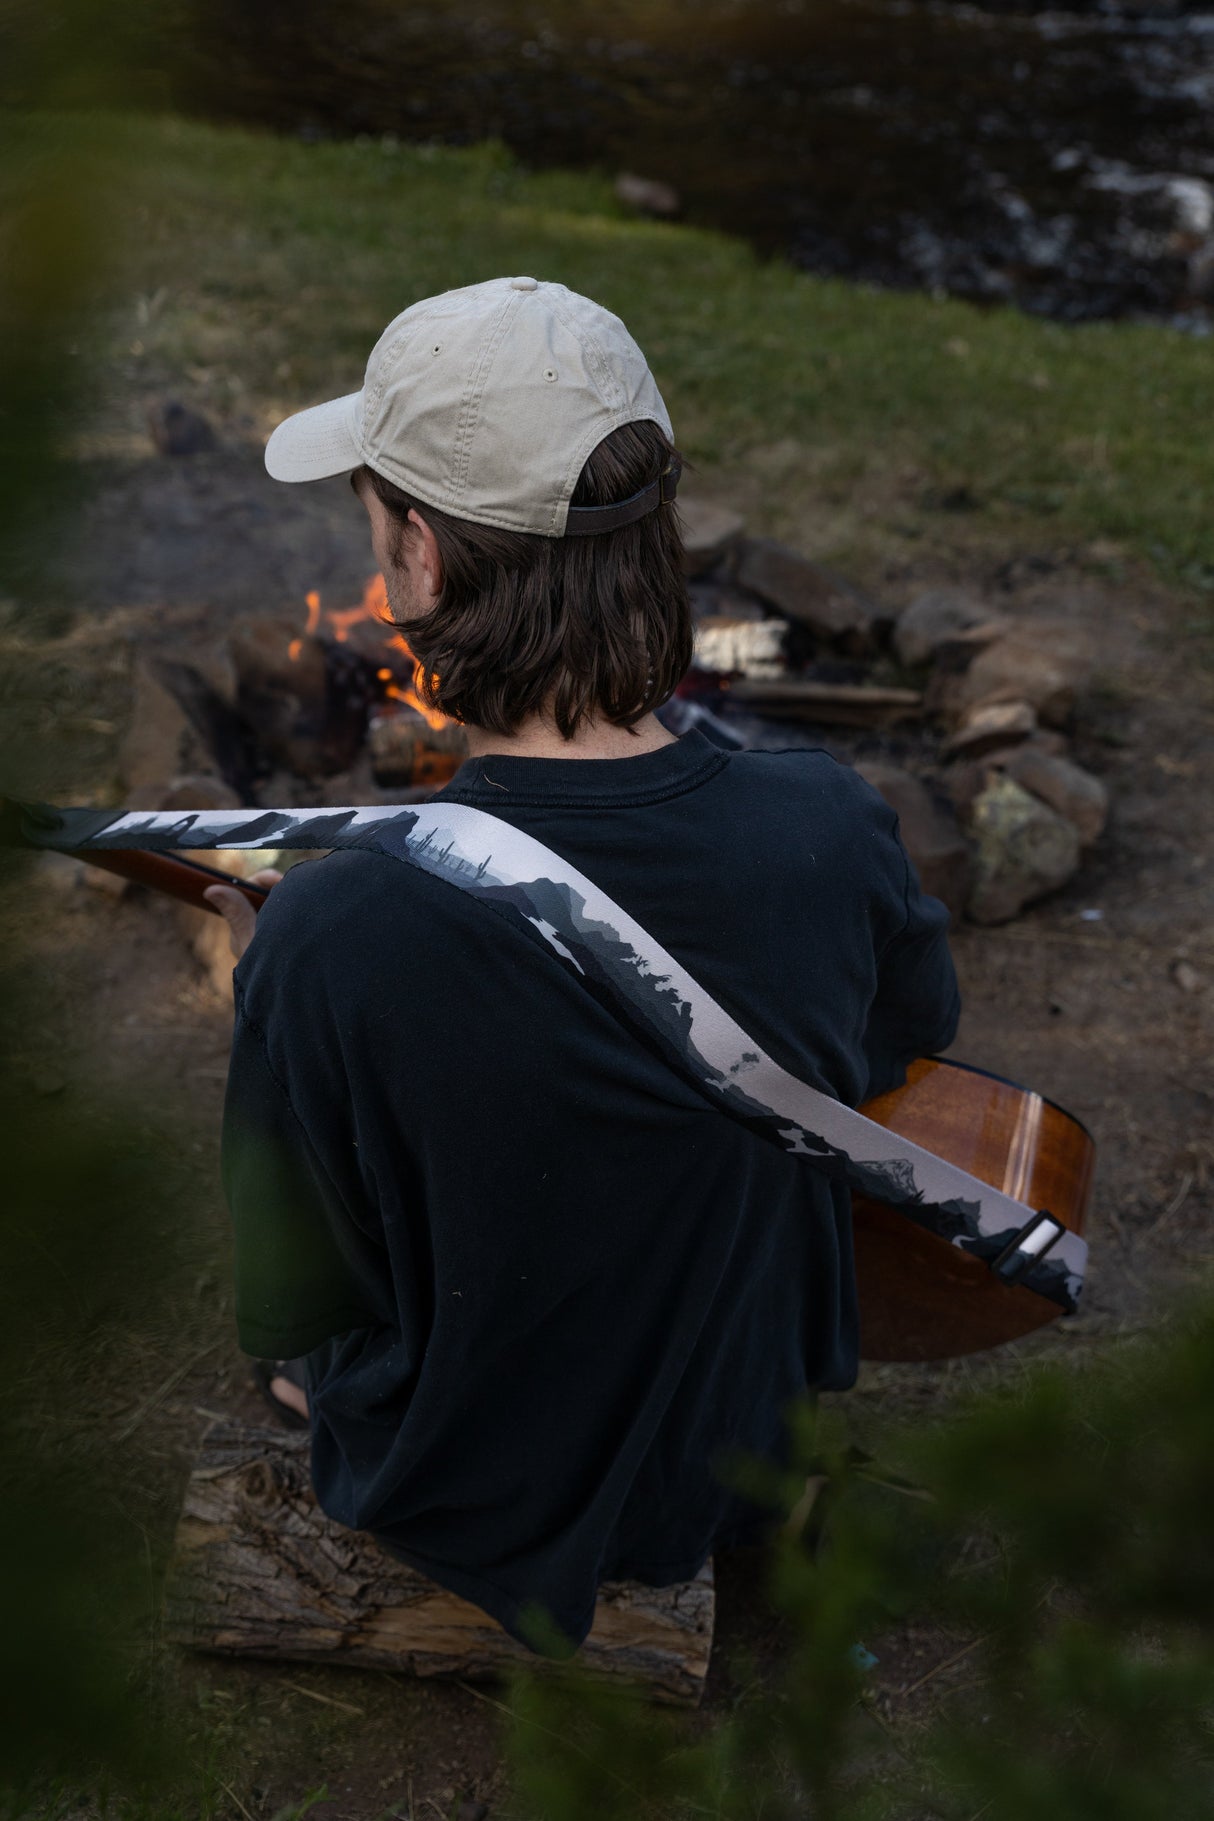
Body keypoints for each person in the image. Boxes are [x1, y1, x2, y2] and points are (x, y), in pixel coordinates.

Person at [205, 276, 960, 1651]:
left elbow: (294, 1298)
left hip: (478, 1495)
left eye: (376, 528)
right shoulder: (830, 823)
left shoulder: (335, 929)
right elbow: (899, 1048)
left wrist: (272, 997)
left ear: (422, 558)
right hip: (742, 1432)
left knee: (306, 1354)